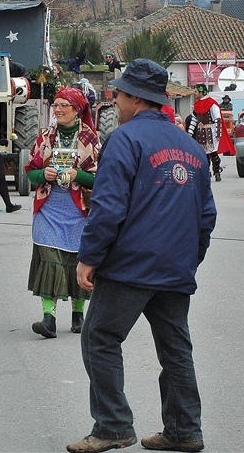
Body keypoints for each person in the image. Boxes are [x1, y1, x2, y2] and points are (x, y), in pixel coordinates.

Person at [67, 59, 216, 453]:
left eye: (118, 93)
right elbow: (206, 216)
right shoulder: (190, 147)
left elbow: (108, 206)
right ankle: (184, 430)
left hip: (131, 266)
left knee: (99, 337)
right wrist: (189, 258)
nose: (114, 99)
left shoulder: (124, 139)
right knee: (175, 349)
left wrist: (89, 257)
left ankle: (113, 425)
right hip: (175, 268)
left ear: (135, 98)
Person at [24, 87, 100, 338]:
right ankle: (49, 318)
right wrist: (42, 174)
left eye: (63, 105)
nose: (57, 110)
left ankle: (79, 315)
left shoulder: (89, 139)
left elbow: (99, 178)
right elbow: (31, 171)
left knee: (76, 259)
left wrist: (79, 175)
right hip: (49, 208)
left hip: (79, 210)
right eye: (55, 105)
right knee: (50, 259)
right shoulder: (45, 137)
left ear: (76, 109)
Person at [184, 84, 236, 181]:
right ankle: (206, 173)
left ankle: (216, 172)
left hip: (210, 131)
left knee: (213, 153)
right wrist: (190, 133)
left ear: (201, 92)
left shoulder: (211, 103)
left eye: (196, 91)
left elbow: (217, 119)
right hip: (201, 132)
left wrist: (218, 133)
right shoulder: (197, 104)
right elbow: (194, 119)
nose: (194, 93)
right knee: (204, 154)